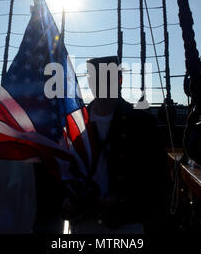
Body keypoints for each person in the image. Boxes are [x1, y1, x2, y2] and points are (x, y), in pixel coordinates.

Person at [67, 56, 172, 234]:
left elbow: (157, 179)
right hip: (84, 223)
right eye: (95, 78)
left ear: (119, 80)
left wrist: (123, 200)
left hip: (125, 225)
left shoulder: (141, 124)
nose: (100, 83)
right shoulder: (75, 124)